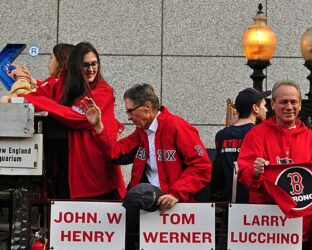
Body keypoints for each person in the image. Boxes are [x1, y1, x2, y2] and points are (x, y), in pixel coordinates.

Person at [12, 42, 125, 199]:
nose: (91, 70)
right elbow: (41, 93)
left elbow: (77, 116)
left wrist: (28, 98)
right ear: (75, 66)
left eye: (94, 64)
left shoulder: (103, 91)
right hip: (67, 166)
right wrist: (17, 97)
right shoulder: (64, 83)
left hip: (93, 171)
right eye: (85, 65)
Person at [82, 83, 212, 210]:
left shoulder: (177, 126)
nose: (128, 117)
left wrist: (176, 193)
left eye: (130, 111)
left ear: (147, 107)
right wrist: (98, 125)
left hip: (176, 208)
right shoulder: (142, 132)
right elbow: (116, 153)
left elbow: (201, 166)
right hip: (148, 207)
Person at [237, 81, 312, 248]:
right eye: (283, 102)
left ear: (300, 105)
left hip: (299, 230)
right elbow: (243, 175)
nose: (289, 107)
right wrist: (255, 172)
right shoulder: (256, 135)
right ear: (272, 104)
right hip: (265, 227)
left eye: (293, 102)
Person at [212, 87, 269, 202]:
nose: (266, 110)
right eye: (264, 105)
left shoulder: (221, 135)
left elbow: (218, 170)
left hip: (227, 201)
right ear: (255, 108)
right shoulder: (259, 134)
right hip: (252, 201)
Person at [0, 43, 74, 102]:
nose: (49, 61)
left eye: (51, 58)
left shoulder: (56, 84)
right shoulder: (64, 82)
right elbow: (44, 88)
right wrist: (31, 79)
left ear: (61, 63)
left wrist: (22, 78)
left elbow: (22, 100)